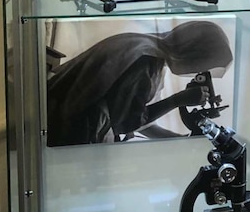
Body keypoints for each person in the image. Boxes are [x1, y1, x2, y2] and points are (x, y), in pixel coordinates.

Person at [46, 20, 233, 147]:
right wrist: (177, 100)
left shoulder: (148, 49)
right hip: (64, 129)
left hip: (65, 119)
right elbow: (128, 122)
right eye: (202, 64)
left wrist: (181, 140)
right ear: (195, 51)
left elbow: (140, 122)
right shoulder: (145, 60)